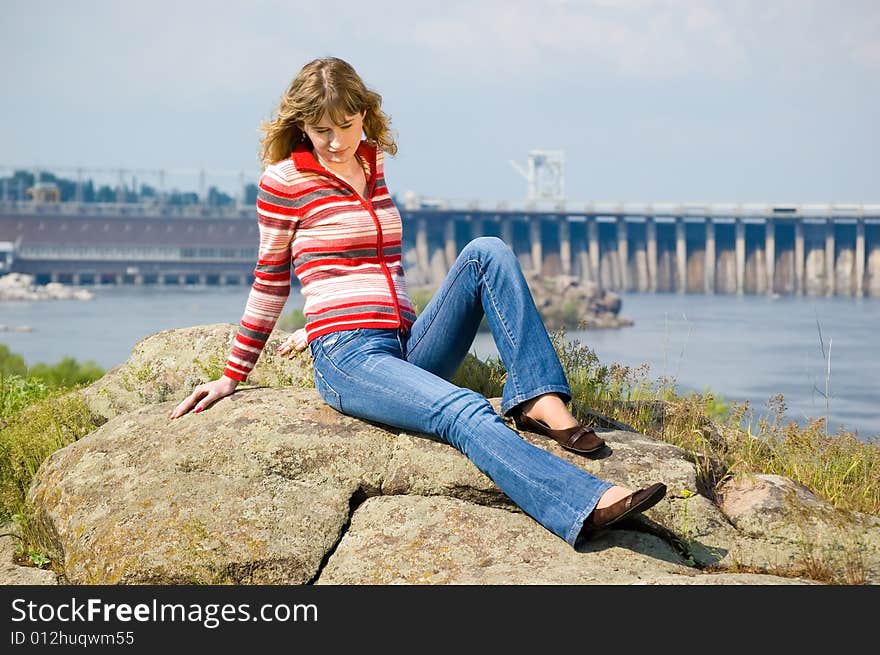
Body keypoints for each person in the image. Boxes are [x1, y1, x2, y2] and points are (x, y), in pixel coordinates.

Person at [169, 57, 666, 547]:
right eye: (322, 131)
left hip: (407, 342)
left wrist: (321, 313)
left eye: (346, 125)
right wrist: (234, 374)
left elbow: (371, 259)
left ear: (363, 113)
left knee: (485, 253)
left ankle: (538, 397)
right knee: (466, 411)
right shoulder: (284, 182)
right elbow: (271, 280)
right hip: (350, 357)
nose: (337, 142)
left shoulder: (371, 160)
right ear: (302, 126)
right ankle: (586, 504)